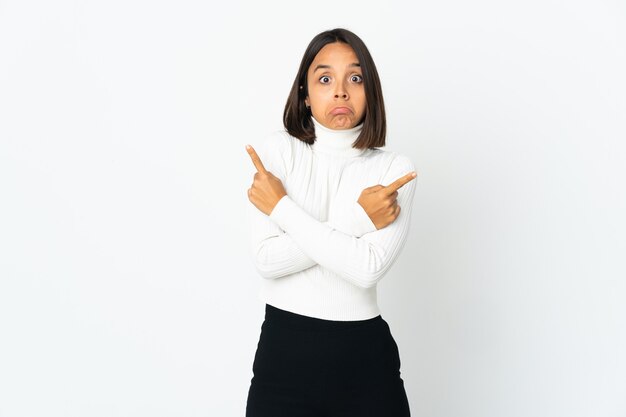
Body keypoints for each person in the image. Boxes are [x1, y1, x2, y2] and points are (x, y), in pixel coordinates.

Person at [244, 28, 417, 417]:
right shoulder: (278, 151)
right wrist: (359, 218)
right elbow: (267, 260)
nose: (340, 91)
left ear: (370, 91)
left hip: (365, 362)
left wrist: (282, 208)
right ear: (305, 95)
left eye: (355, 78)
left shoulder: (394, 169)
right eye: (325, 78)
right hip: (282, 358)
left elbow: (366, 268)